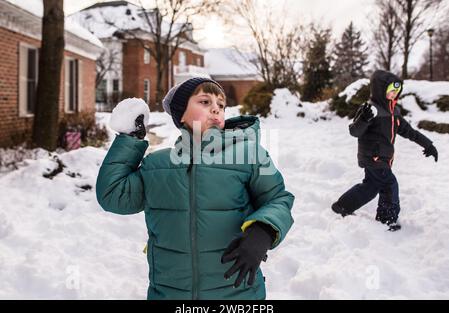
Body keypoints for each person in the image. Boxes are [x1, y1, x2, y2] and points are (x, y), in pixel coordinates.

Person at [96, 77, 295, 299]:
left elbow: (278, 199)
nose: (215, 109)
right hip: (169, 292)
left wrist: (263, 231)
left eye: (221, 105)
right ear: (180, 114)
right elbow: (113, 195)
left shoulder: (250, 155)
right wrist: (130, 140)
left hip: (236, 292)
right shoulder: (157, 164)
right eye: (204, 102)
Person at [331, 70, 438, 231]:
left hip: (382, 158)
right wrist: (363, 119)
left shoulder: (394, 113)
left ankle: (343, 206)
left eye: (396, 91)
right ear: (380, 90)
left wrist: (428, 145)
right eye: (390, 91)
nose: (394, 94)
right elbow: (354, 131)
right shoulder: (370, 109)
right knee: (389, 184)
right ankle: (386, 220)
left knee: (371, 187)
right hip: (373, 157)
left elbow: (409, 131)